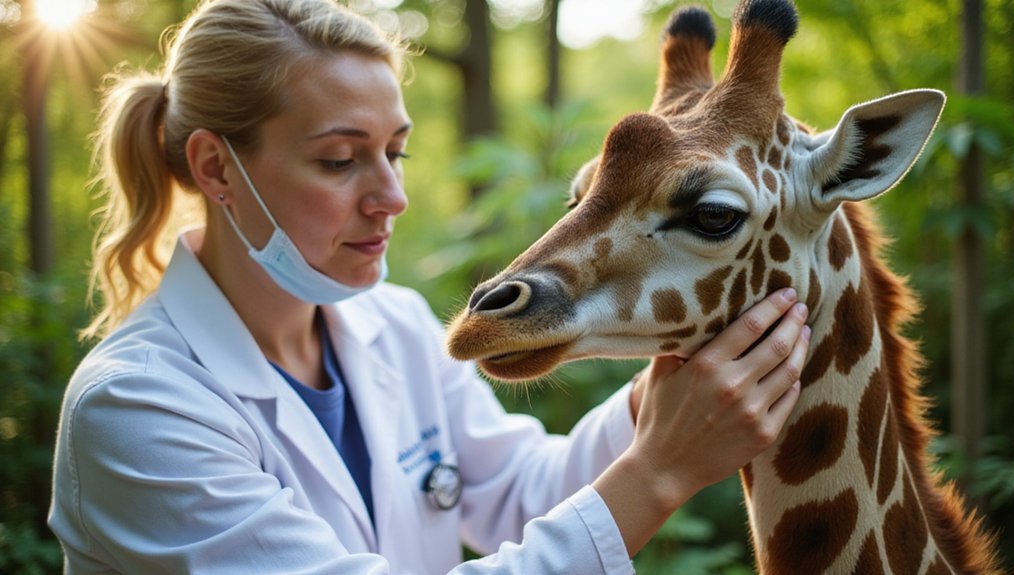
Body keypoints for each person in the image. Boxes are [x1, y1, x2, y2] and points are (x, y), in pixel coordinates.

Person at [47, 0, 811, 573]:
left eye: (396, 152)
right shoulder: (137, 407)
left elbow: (524, 489)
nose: (392, 196)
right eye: (341, 159)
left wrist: (667, 386)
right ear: (218, 169)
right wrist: (662, 470)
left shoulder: (396, 324)